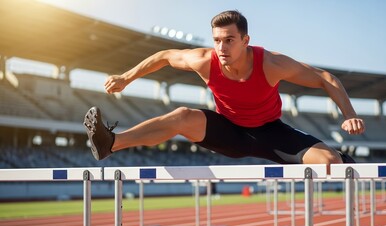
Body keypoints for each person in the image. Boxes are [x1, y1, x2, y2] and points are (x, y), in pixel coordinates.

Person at [84, 10, 365, 172]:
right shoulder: (205, 60)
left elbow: (324, 77)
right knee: (183, 116)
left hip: (271, 132)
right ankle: (111, 143)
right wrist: (126, 77)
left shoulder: (271, 63)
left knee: (330, 162)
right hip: (228, 131)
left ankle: (343, 159)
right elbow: (165, 55)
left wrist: (349, 114)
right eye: (217, 40)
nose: (222, 48)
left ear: (245, 40)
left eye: (229, 40)